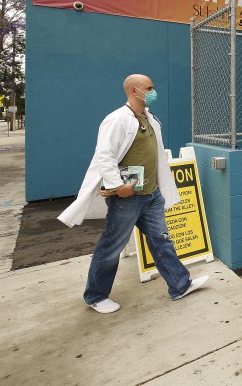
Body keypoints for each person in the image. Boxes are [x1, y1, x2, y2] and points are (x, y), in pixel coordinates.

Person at [58, 74, 208, 313]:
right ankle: (95, 296)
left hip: (152, 195)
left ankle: (180, 285)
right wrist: (118, 186)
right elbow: (104, 156)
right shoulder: (117, 119)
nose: (153, 91)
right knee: (112, 246)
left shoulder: (149, 119)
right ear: (133, 90)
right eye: (148, 88)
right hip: (127, 198)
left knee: (161, 240)